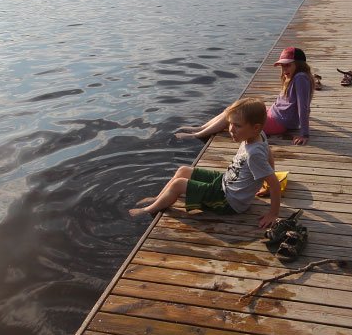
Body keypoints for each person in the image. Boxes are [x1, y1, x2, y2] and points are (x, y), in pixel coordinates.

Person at [132, 98, 281, 228]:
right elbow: (268, 153)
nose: (231, 129)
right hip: (225, 182)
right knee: (183, 170)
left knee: (178, 184)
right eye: (230, 124)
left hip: (229, 202)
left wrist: (273, 213)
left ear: (255, 127)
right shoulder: (259, 135)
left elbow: (275, 183)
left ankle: (148, 210)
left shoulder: (253, 153)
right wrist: (265, 181)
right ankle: (158, 199)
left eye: (238, 126)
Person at [175, 47, 314, 145]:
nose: (284, 70)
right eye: (282, 67)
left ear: (299, 65)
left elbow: (303, 107)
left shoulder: (300, 78)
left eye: (288, 66)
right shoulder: (295, 76)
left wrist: (304, 134)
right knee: (234, 108)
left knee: (234, 116)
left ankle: (198, 135)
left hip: (280, 122)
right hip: (274, 114)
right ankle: (201, 128)